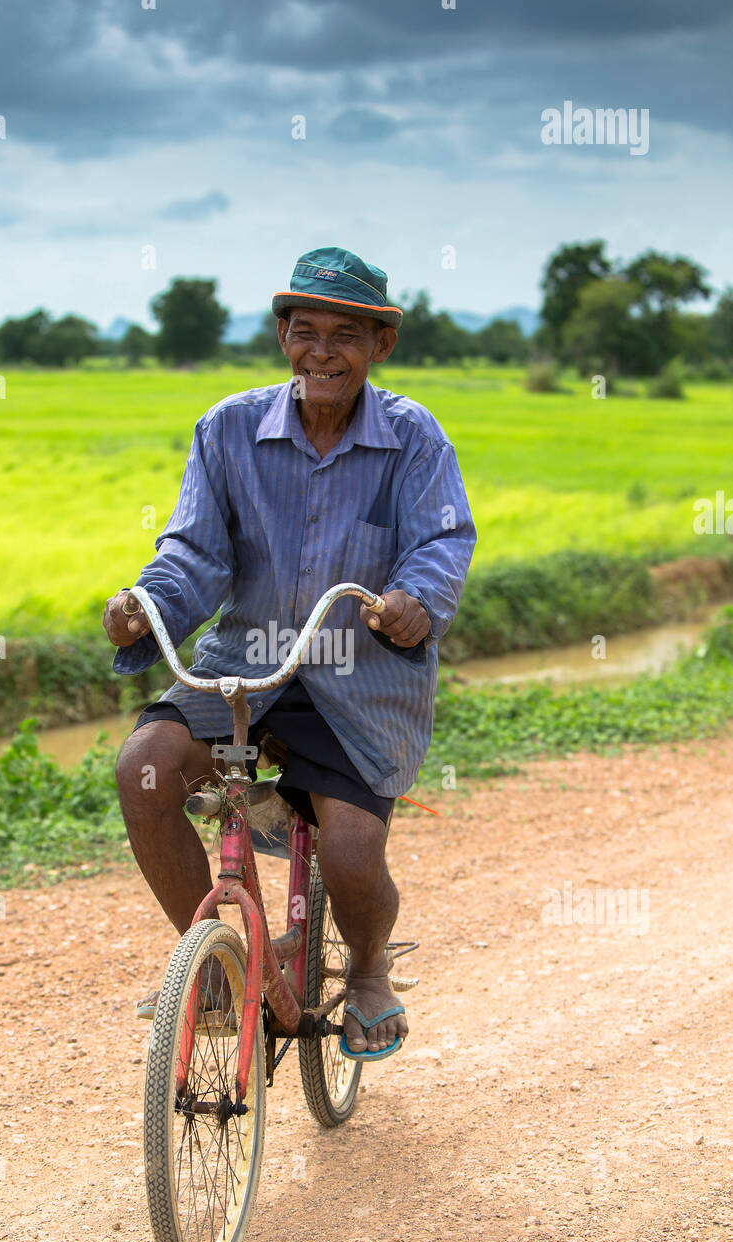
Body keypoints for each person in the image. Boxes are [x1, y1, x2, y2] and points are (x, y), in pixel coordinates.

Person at [103, 246, 476, 1058]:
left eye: (346, 334)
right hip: (246, 667)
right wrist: (148, 605)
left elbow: (442, 541)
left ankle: (371, 968)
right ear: (281, 337)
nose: (322, 352)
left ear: (381, 346)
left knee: (349, 851)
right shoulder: (228, 427)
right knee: (145, 770)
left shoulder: (414, 439)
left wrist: (417, 600)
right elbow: (192, 555)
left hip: (358, 676)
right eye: (304, 332)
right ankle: (215, 968)